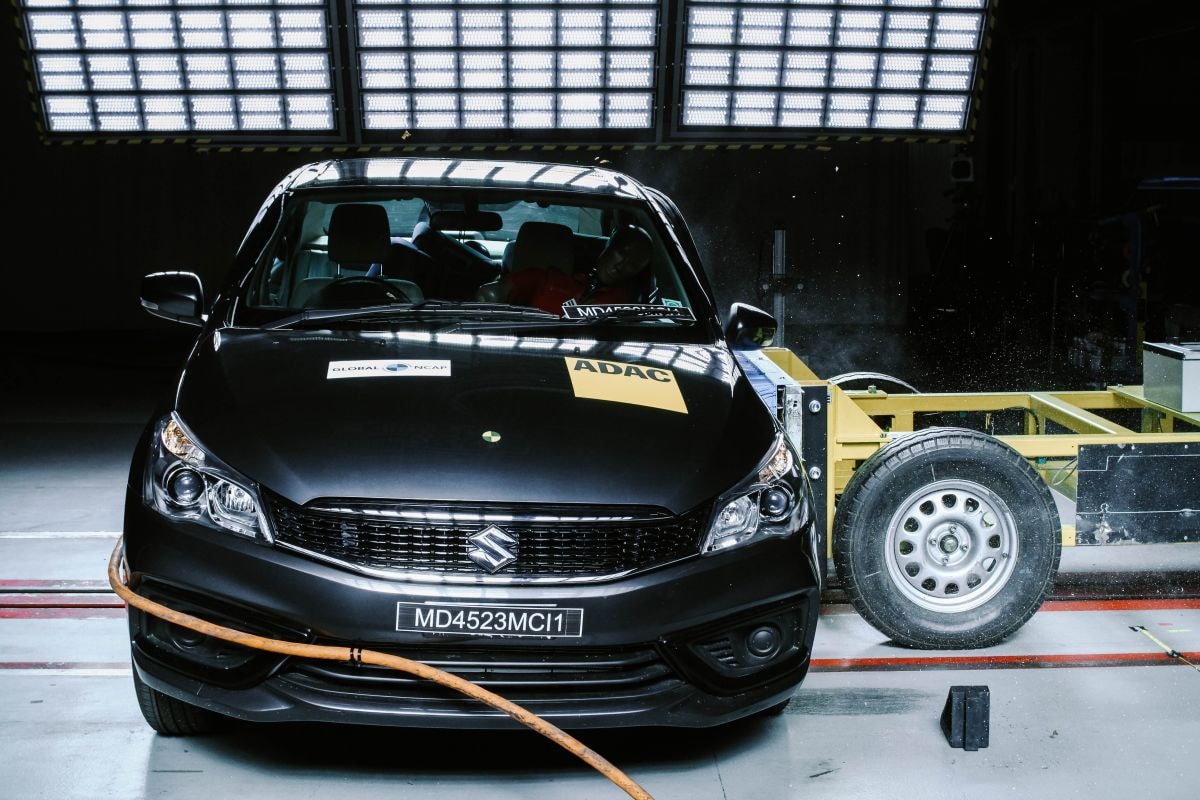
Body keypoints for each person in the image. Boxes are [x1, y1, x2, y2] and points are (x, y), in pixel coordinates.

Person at [477, 224, 654, 314]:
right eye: (621, 252)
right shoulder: (549, 280)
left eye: (634, 264)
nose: (621, 265)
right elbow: (496, 292)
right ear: (608, 246)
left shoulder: (628, 307)